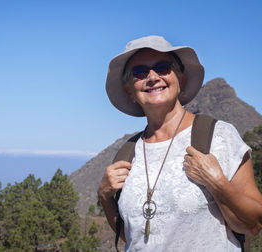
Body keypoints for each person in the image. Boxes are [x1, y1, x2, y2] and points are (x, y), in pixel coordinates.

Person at [97, 35, 262, 251]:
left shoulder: (218, 136)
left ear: (180, 80)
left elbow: (254, 224)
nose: (153, 77)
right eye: (140, 72)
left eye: (163, 67)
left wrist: (217, 183)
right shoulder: (128, 153)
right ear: (130, 91)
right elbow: (129, 234)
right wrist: (104, 196)